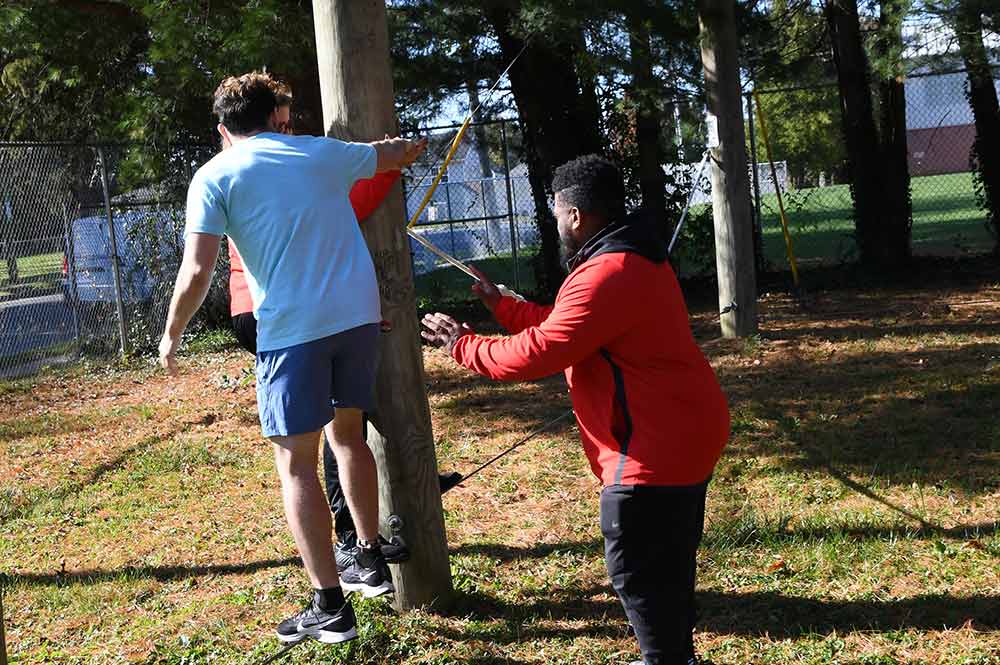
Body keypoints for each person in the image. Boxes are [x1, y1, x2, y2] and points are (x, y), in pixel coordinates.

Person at [420, 155, 730, 665]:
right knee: (667, 562)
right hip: (684, 428)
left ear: (577, 216)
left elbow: (541, 351)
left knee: (636, 568)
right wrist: (503, 306)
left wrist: (463, 345)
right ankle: (675, 654)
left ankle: (665, 658)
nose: (556, 220)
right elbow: (570, 324)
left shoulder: (607, 271)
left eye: (557, 211)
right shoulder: (629, 255)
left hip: (653, 446)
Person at [159, 70, 427, 646]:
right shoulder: (322, 153)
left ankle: (329, 604)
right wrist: (414, 146)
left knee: (296, 465)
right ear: (274, 115)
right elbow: (390, 154)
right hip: (358, 318)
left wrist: (172, 333)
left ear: (224, 128)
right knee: (347, 438)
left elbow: (198, 269)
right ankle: (368, 556)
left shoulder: (214, 176)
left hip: (292, 329)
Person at [225, 90, 412, 572]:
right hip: (272, 313)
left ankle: (362, 541)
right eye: (280, 125)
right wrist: (384, 165)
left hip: (314, 312)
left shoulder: (287, 161)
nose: (288, 134)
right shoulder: (247, 171)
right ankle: (350, 542)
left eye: (290, 125)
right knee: (318, 440)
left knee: (343, 429)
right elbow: (346, 205)